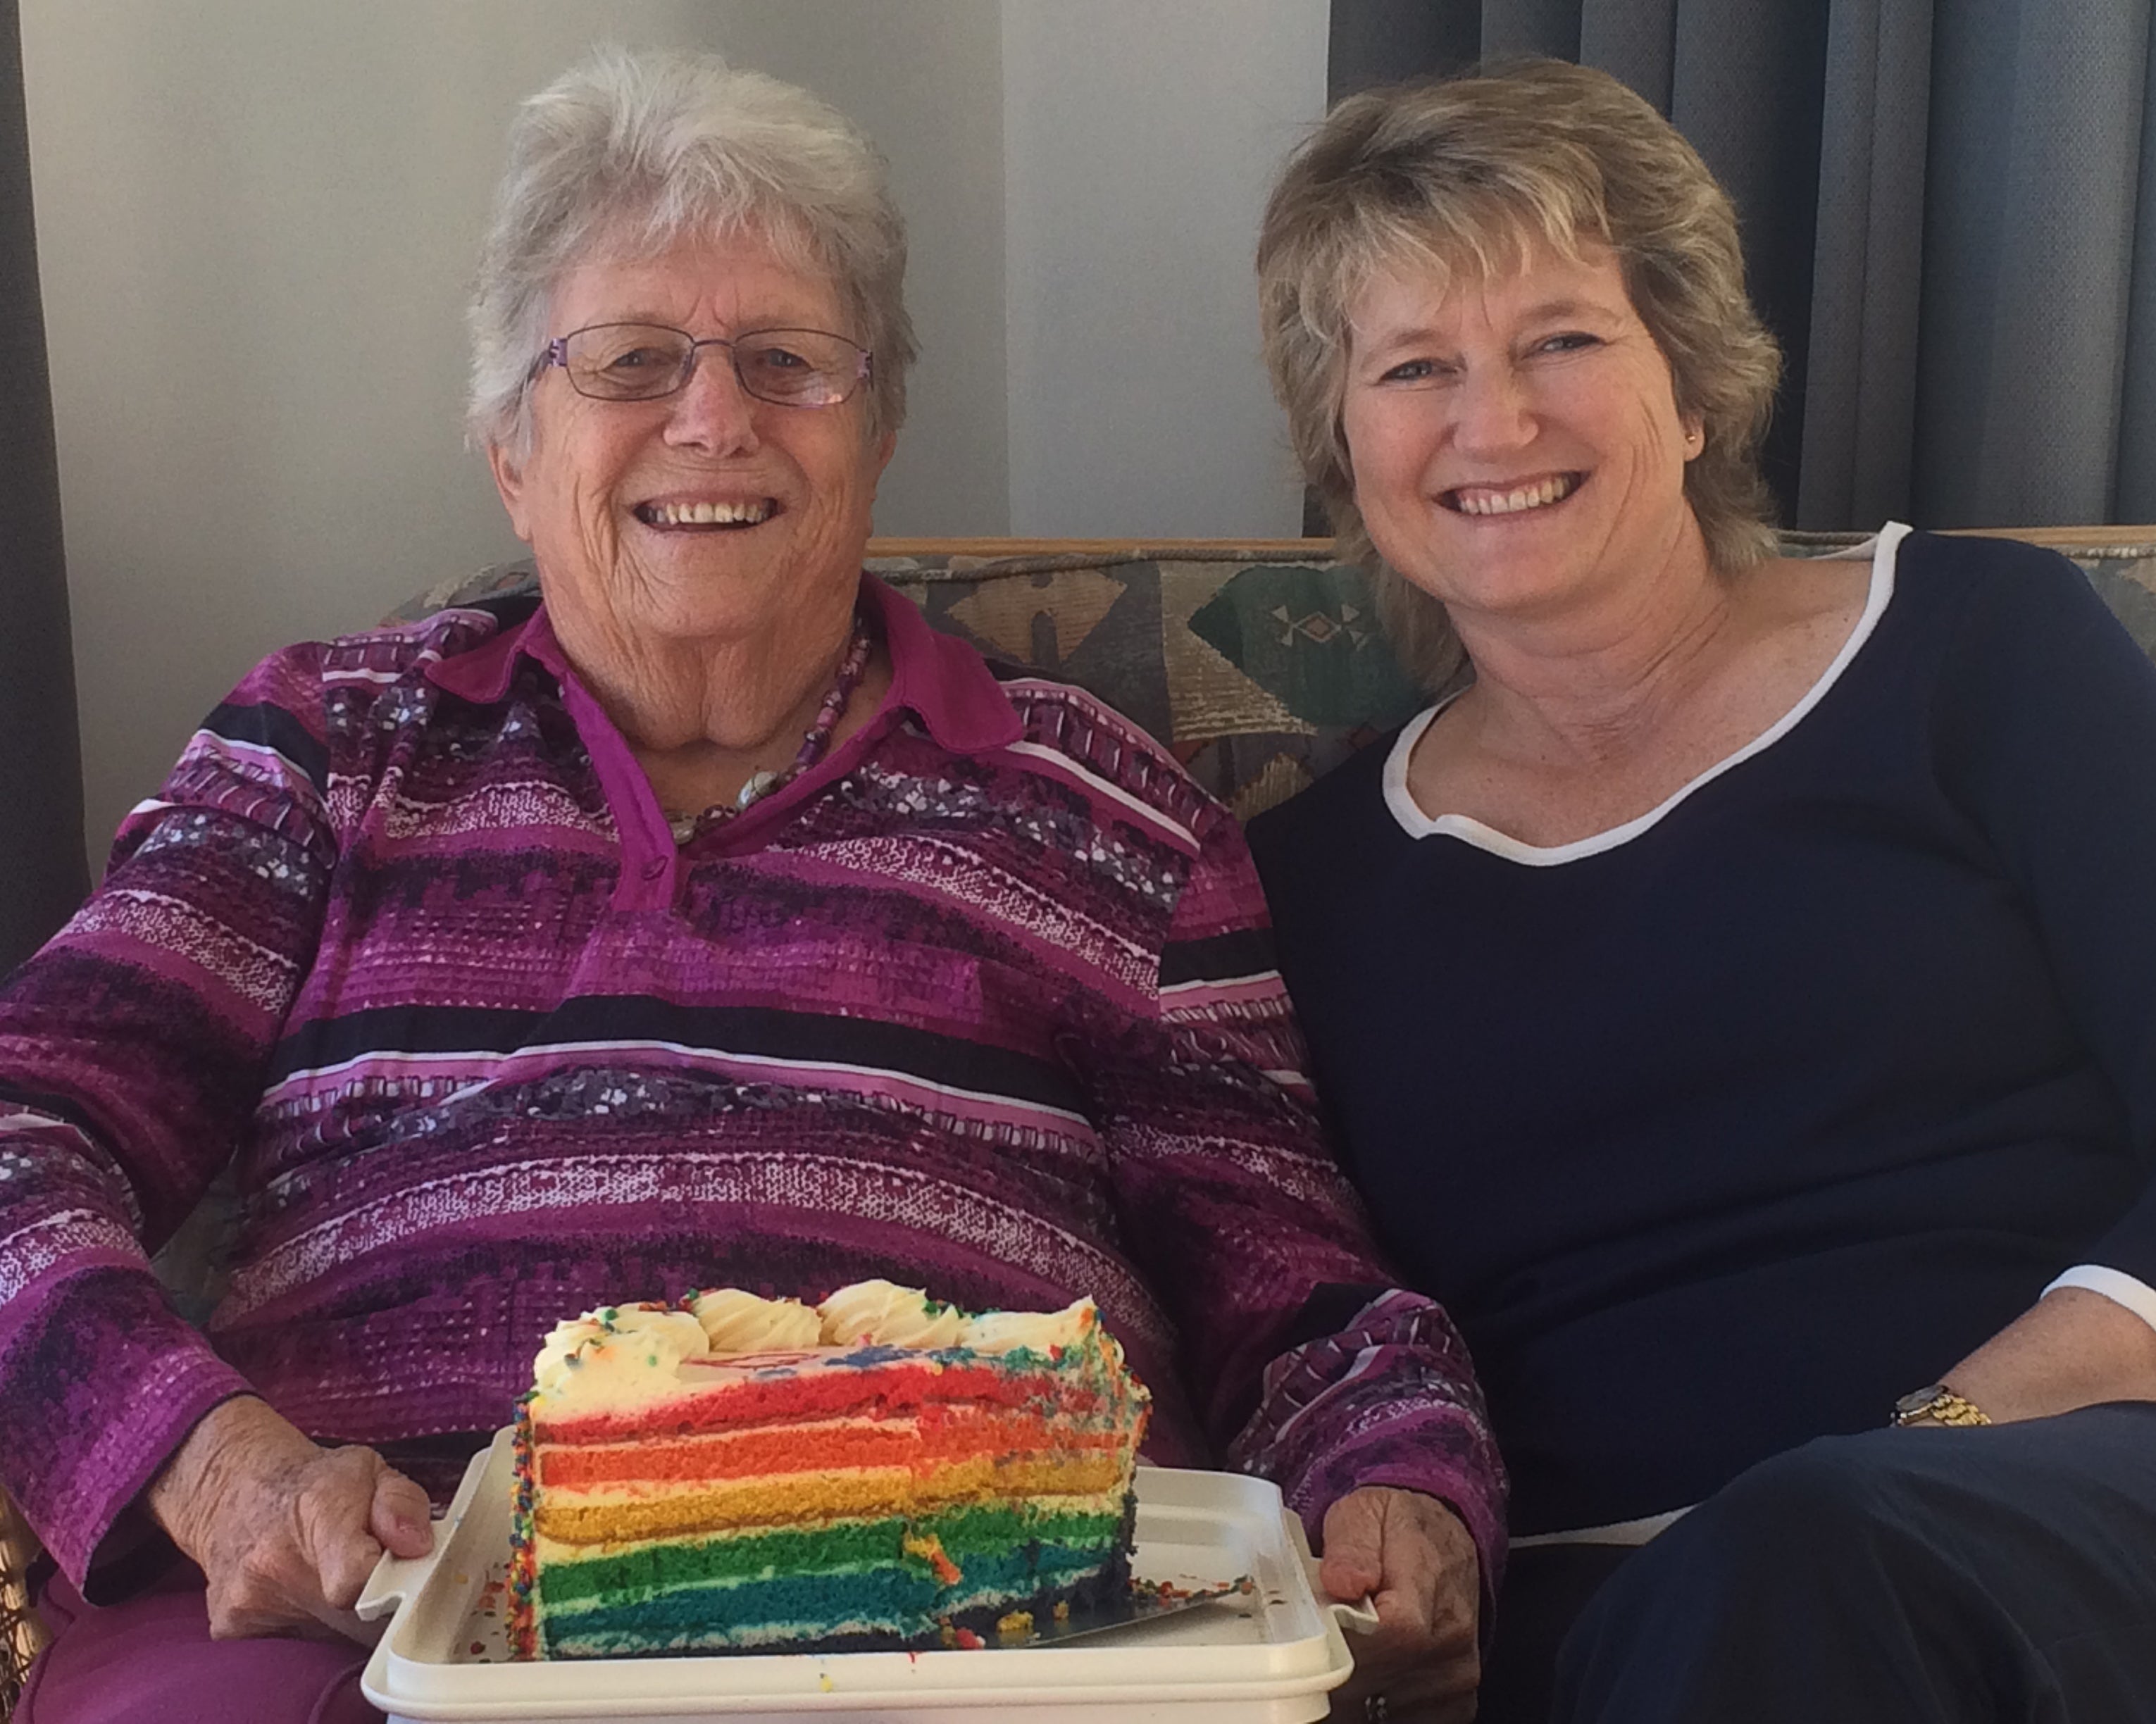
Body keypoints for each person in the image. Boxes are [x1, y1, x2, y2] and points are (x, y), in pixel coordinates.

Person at [0, 50, 1502, 1723]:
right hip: (375, 1624)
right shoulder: (327, 749)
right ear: (512, 446)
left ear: (875, 433)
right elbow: (18, 1138)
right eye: (632, 361)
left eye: (788, 361)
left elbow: (1286, 1273)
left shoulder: (1105, 809)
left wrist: (1401, 1481)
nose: (712, 419)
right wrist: (214, 1470)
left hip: (971, 1634)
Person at [1247, 57, 2156, 1723]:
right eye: (1415, 367)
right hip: (1599, 1619)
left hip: (2090, 1503)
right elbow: (1300, 1300)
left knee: (1812, 1557)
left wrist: (1925, 1443)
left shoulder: (1976, 654)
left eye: (1563, 340)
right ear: (1349, 444)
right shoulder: (1303, 879)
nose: (1492, 421)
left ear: (1698, 387)